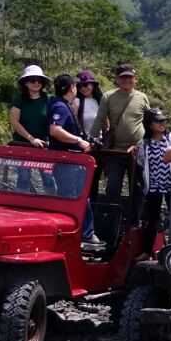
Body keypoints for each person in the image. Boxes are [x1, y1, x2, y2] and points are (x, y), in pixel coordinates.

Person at [47, 74, 104, 250]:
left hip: (69, 161)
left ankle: (79, 232)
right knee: (77, 198)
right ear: (72, 87)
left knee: (74, 196)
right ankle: (84, 234)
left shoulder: (61, 104)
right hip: (67, 161)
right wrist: (78, 141)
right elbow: (55, 130)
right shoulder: (60, 107)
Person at [96, 62, 150, 199]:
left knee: (138, 187)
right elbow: (100, 119)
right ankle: (112, 218)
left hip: (137, 149)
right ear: (117, 79)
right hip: (115, 150)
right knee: (113, 187)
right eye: (123, 77)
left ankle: (134, 220)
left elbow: (149, 120)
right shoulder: (108, 97)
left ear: (135, 79)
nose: (126, 80)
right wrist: (91, 139)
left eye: (129, 77)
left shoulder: (142, 97)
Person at [9, 64, 55, 193]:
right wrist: (31, 139)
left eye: (39, 80)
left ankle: (53, 205)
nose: (36, 83)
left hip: (44, 145)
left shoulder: (49, 99)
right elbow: (15, 122)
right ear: (25, 83)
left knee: (48, 178)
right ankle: (19, 208)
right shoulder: (19, 100)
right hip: (23, 144)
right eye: (32, 80)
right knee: (23, 177)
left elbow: (54, 121)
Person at [135, 108, 171, 258]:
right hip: (154, 185)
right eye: (158, 121)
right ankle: (147, 250)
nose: (161, 124)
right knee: (152, 218)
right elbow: (140, 162)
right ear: (150, 124)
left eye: (163, 121)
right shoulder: (144, 143)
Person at [74, 70, 103, 137]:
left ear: (92, 84)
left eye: (85, 85)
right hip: (84, 142)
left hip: (101, 142)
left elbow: (107, 125)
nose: (83, 88)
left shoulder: (101, 101)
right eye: (79, 86)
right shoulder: (76, 102)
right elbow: (74, 123)